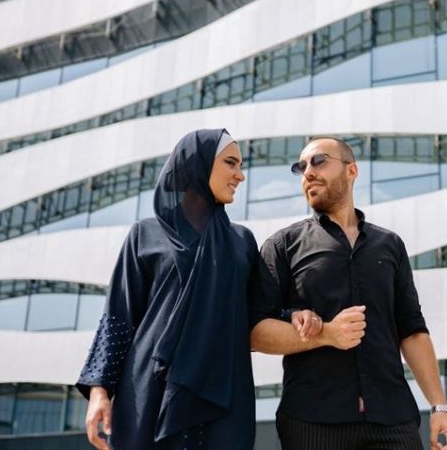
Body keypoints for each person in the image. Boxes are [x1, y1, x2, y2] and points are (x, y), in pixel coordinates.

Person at [77, 129, 292, 449]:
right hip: (149, 391)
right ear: (197, 164)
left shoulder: (241, 241)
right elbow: (118, 318)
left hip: (224, 395)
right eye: (231, 163)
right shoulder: (144, 235)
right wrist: (99, 392)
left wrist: (297, 315)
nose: (241, 175)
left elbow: (256, 312)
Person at [249, 137, 447, 450]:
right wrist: (326, 335)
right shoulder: (283, 246)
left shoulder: (390, 245)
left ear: (352, 171)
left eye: (318, 161)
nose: (307, 172)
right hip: (312, 423)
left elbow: (412, 330)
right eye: (301, 167)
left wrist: (440, 407)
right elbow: (254, 332)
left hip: (393, 421)